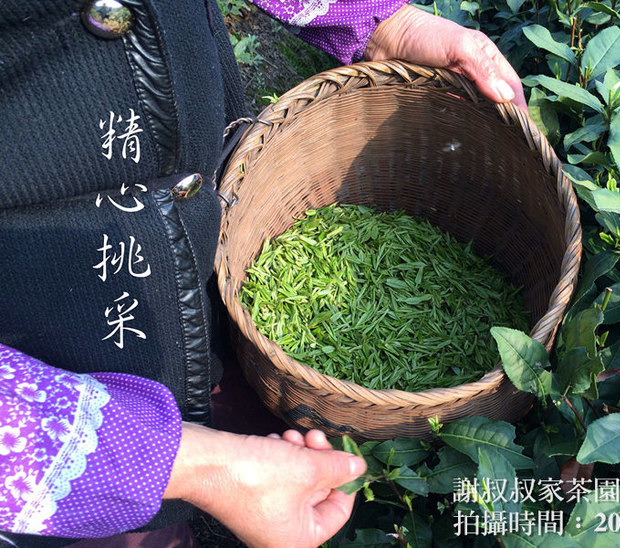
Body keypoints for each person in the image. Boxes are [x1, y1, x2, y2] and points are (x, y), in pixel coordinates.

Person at [0, 1, 526, 547]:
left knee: (208, 359)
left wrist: (376, 20)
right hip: (50, 379)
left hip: (181, 204)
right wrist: (190, 467)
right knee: (122, 530)